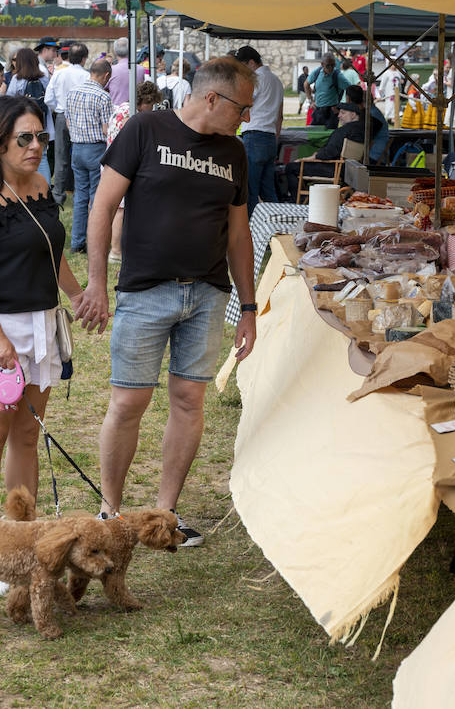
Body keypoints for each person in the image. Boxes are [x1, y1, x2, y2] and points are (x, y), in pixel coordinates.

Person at [76, 57, 258, 545]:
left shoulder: (235, 152)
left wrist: (248, 307)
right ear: (213, 98)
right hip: (146, 290)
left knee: (188, 399)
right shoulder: (145, 128)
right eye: (243, 107)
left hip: (207, 294)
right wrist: (96, 281)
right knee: (129, 401)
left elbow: (239, 235)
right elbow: (103, 205)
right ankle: (110, 513)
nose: (246, 118)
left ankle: (165, 514)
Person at [0, 94, 85, 596]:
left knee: (29, 433)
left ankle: (20, 538)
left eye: (41, 137)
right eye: (23, 139)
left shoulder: (41, 184)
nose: (34, 146)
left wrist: (79, 294)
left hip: (40, 320)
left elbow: (52, 254)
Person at [64, 58, 114, 254]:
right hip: (96, 149)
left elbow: (68, 122)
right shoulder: (102, 97)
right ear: (106, 75)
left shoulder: (73, 93)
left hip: (77, 148)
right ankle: (94, 241)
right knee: (96, 198)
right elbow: (106, 129)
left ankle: (77, 242)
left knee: (80, 196)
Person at [107, 80, 160, 263]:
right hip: (122, 165)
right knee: (120, 210)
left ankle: (117, 248)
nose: (152, 109)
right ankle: (115, 251)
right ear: (145, 101)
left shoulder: (122, 107)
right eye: (151, 105)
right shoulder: (133, 116)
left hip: (112, 162)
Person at [233, 45, 284, 213]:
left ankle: (250, 230)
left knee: (250, 190)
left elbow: (243, 103)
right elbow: (280, 115)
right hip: (269, 137)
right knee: (269, 192)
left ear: (251, 62)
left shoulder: (256, 79)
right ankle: (276, 226)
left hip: (254, 136)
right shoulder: (276, 80)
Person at [48, 43, 88, 205]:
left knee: (60, 156)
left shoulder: (59, 74)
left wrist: (58, 110)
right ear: (84, 59)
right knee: (79, 155)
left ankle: (58, 193)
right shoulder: (86, 76)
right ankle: (79, 190)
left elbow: (48, 98)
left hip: (62, 115)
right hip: (80, 116)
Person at [6, 47, 52, 180]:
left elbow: (9, 101)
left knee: (23, 154)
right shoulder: (44, 79)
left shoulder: (17, 80)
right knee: (42, 157)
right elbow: (48, 100)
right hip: (42, 124)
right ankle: (45, 190)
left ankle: (25, 187)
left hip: (22, 125)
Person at [307, 53, 353, 128]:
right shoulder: (317, 72)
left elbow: (351, 90)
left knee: (330, 136)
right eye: (328, 65)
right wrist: (311, 101)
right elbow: (306, 84)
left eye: (333, 65)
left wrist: (343, 107)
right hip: (318, 110)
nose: (331, 68)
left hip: (331, 112)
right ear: (322, 64)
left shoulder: (337, 75)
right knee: (314, 134)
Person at [107, 36, 143, 109]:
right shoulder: (140, 69)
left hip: (116, 112)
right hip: (135, 111)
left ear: (115, 51)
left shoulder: (111, 70)